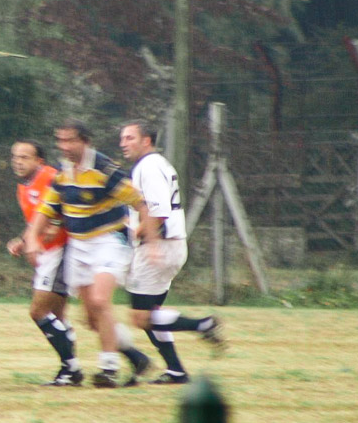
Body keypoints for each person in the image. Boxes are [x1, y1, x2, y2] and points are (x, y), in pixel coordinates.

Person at [25, 120, 155, 388]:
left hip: (110, 240)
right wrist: (30, 238)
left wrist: (152, 243)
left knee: (99, 300)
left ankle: (108, 369)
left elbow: (141, 203)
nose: (64, 147)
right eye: (60, 141)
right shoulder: (63, 170)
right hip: (80, 245)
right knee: (92, 318)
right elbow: (48, 207)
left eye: (70, 140)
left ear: (85, 141)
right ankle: (138, 358)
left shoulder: (105, 169)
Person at [119, 121, 225, 384]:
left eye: (130, 138)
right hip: (171, 246)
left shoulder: (149, 166)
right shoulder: (156, 164)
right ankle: (176, 370)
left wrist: (139, 235)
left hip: (160, 247)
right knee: (153, 315)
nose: (123, 143)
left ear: (147, 141)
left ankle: (202, 325)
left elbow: (159, 212)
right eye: (122, 138)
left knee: (141, 317)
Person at [6, 140, 81, 386]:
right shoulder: (23, 187)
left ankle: (72, 368)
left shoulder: (51, 177)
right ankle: (71, 370)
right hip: (50, 253)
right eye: (15, 156)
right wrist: (23, 239)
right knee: (58, 315)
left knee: (38, 311)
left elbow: (72, 204)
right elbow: (37, 220)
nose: (18, 161)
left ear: (40, 161)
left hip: (63, 250)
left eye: (24, 157)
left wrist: (58, 224)